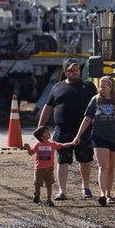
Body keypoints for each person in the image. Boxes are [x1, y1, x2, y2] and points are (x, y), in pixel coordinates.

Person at [37, 59, 96, 200]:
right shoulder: (57, 87)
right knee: (62, 161)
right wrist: (40, 126)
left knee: (85, 160)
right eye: (71, 70)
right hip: (63, 131)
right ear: (65, 72)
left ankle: (86, 187)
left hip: (84, 130)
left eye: (77, 69)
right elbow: (48, 107)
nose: (75, 72)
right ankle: (62, 191)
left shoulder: (89, 86)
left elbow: (96, 106)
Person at [72, 76, 115, 206]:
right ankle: (102, 194)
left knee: (111, 168)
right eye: (101, 86)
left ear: (111, 88)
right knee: (103, 166)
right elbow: (87, 119)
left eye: (104, 87)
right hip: (100, 137)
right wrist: (78, 135)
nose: (102, 89)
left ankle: (109, 193)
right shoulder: (95, 100)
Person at [24, 126, 74, 207]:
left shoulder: (52, 144)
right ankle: (37, 194)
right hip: (39, 168)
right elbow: (31, 153)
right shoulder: (38, 144)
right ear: (41, 136)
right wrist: (28, 147)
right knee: (37, 185)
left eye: (48, 132)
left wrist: (72, 143)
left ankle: (49, 199)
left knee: (49, 184)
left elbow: (63, 145)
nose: (48, 133)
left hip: (49, 169)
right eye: (46, 132)